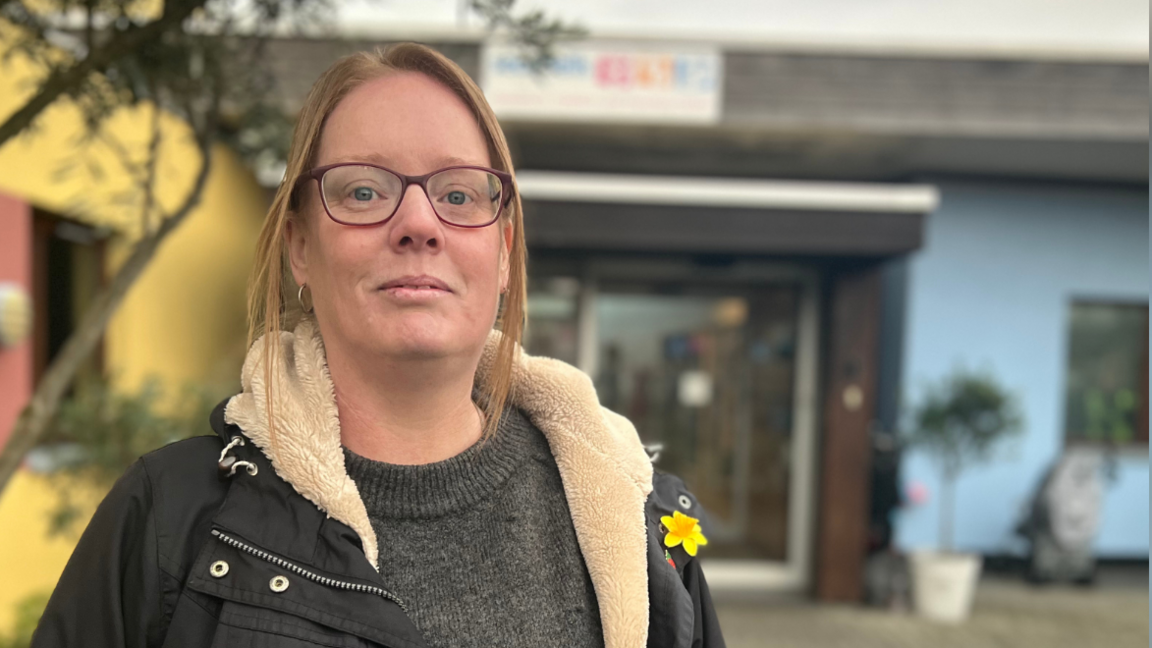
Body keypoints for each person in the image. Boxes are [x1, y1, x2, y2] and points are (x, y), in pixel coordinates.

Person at [32, 43, 725, 648]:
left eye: (458, 195)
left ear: (504, 250)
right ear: (300, 246)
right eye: (364, 190)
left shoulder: (648, 521)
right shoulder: (169, 522)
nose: (418, 223)